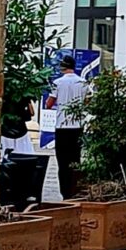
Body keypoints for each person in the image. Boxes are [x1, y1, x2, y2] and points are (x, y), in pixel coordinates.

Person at [48, 57, 87, 195]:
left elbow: (49, 103)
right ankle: (76, 190)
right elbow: (88, 101)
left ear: (62, 67)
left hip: (62, 127)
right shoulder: (83, 82)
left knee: (62, 162)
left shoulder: (57, 83)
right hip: (77, 126)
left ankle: (65, 192)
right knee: (76, 160)